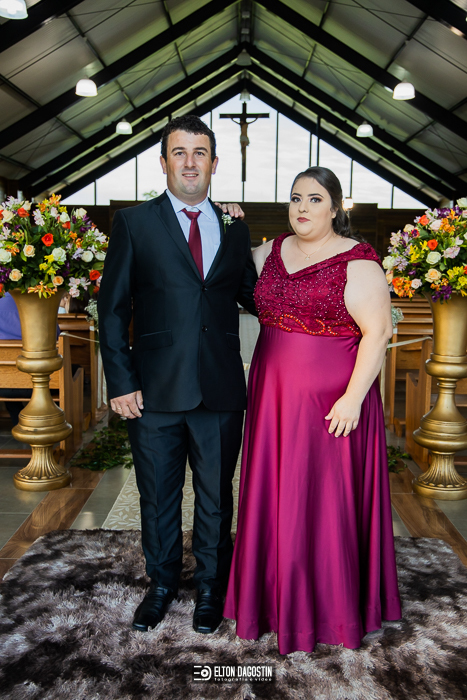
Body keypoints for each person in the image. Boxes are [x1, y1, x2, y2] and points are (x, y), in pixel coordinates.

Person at [224, 166, 401, 655]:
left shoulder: (358, 262)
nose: (302, 207)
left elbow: (379, 333)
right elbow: (224, 271)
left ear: (335, 207)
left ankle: (330, 611)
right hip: (273, 399)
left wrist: (353, 398)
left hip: (334, 405)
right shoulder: (268, 253)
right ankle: (271, 601)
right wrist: (228, 222)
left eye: (315, 199)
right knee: (276, 497)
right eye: (296, 198)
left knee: (323, 502)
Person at [97, 115, 257, 635]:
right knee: (158, 495)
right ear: (163, 162)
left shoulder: (235, 227)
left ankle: (212, 587)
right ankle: (162, 584)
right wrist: (121, 380)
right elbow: (112, 308)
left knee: (215, 497)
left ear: (214, 162)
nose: (190, 162)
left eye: (200, 152)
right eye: (180, 152)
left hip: (219, 387)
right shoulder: (133, 223)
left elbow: (255, 297)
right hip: (154, 389)